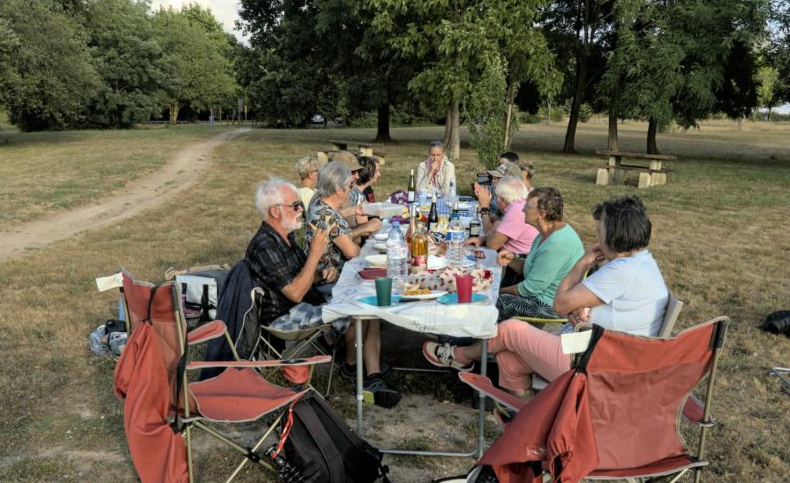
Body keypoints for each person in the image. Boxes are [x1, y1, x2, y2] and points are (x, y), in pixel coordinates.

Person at [423, 195, 668, 397]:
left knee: (509, 329)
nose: (597, 234)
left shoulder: (622, 271)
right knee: (508, 358)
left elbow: (560, 304)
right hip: (597, 351)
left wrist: (583, 263)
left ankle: (459, 356)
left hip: (592, 363)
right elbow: (587, 304)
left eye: (600, 228)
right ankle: (530, 420)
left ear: (615, 233)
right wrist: (580, 310)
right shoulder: (640, 263)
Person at [249, 174, 400, 407]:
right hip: (285, 316)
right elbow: (295, 293)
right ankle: (359, 370)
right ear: (275, 211)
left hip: (305, 301)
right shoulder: (265, 245)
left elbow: (299, 275)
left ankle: (369, 373)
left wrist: (321, 273)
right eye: (295, 206)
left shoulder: (283, 237)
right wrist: (315, 253)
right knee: (360, 306)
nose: (301, 210)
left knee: (367, 299)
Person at [302, 162, 400, 404]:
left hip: (332, 274)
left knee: (373, 296)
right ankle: (356, 366)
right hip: (323, 280)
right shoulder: (326, 214)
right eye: (348, 186)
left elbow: (338, 227)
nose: (351, 189)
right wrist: (368, 226)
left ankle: (367, 368)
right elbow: (352, 251)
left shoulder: (320, 204)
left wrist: (354, 217)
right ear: (338, 189)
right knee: (369, 300)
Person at [491, 187, 584, 321]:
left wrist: (496, 291)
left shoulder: (557, 243)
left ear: (541, 214)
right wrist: (512, 260)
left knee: (495, 302)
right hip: (538, 294)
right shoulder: (545, 233)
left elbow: (529, 289)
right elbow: (532, 269)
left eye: (527, 207)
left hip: (550, 304)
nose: (523, 210)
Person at [464, 175, 537, 254]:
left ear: (502, 199)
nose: (496, 200)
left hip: (516, 258)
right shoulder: (520, 204)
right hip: (513, 255)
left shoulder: (516, 210)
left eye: (496, 197)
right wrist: (483, 239)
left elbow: (492, 245)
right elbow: (495, 231)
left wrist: (484, 207)